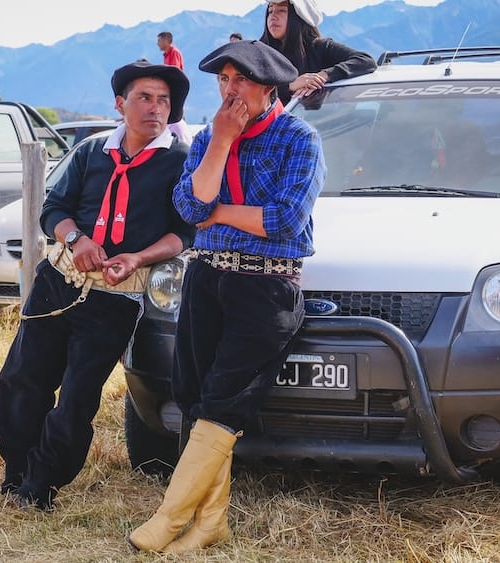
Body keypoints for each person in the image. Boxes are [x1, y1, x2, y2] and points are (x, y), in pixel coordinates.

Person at [126, 40, 325, 554]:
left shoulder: (298, 139)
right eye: (223, 81)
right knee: (193, 395)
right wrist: (220, 142)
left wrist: (214, 212)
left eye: (240, 81)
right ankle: (211, 522)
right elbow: (189, 205)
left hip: (266, 285)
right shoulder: (208, 136)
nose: (229, 91)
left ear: (267, 87)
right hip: (206, 278)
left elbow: (282, 220)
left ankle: (170, 517)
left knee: (223, 400)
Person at [0, 59, 195, 512]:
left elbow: (183, 233)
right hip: (57, 282)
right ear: (121, 103)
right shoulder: (91, 151)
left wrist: (138, 257)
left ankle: (41, 485)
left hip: (115, 298)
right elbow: (54, 209)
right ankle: (15, 472)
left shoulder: (180, 161)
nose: (155, 108)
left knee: (79, 393)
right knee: (24, 378)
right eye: (145, 97)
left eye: (164, 100)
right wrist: (76, 239)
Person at [260, 0, 376, 104]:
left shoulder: (320, 47)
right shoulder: (260, 52)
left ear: (300, 16)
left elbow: (365, 61)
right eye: (270, 11)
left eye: (281, 11)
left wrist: (323, 76)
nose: (273, 17)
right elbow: (252, 91)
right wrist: (291, 85)